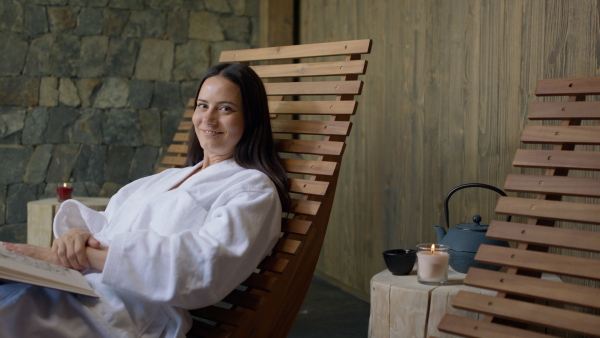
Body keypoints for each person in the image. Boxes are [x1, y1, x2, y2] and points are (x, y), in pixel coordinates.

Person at [0, 63, 290, 337]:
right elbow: (111, 223)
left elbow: (205, 267)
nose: (209, 118)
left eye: (225, 108)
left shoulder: (252, 190)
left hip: (127, 311)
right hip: (81, 285)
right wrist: (79, 236)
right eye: (203, 106)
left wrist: (82, 256)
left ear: (250, 118)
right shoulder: (167, 178)